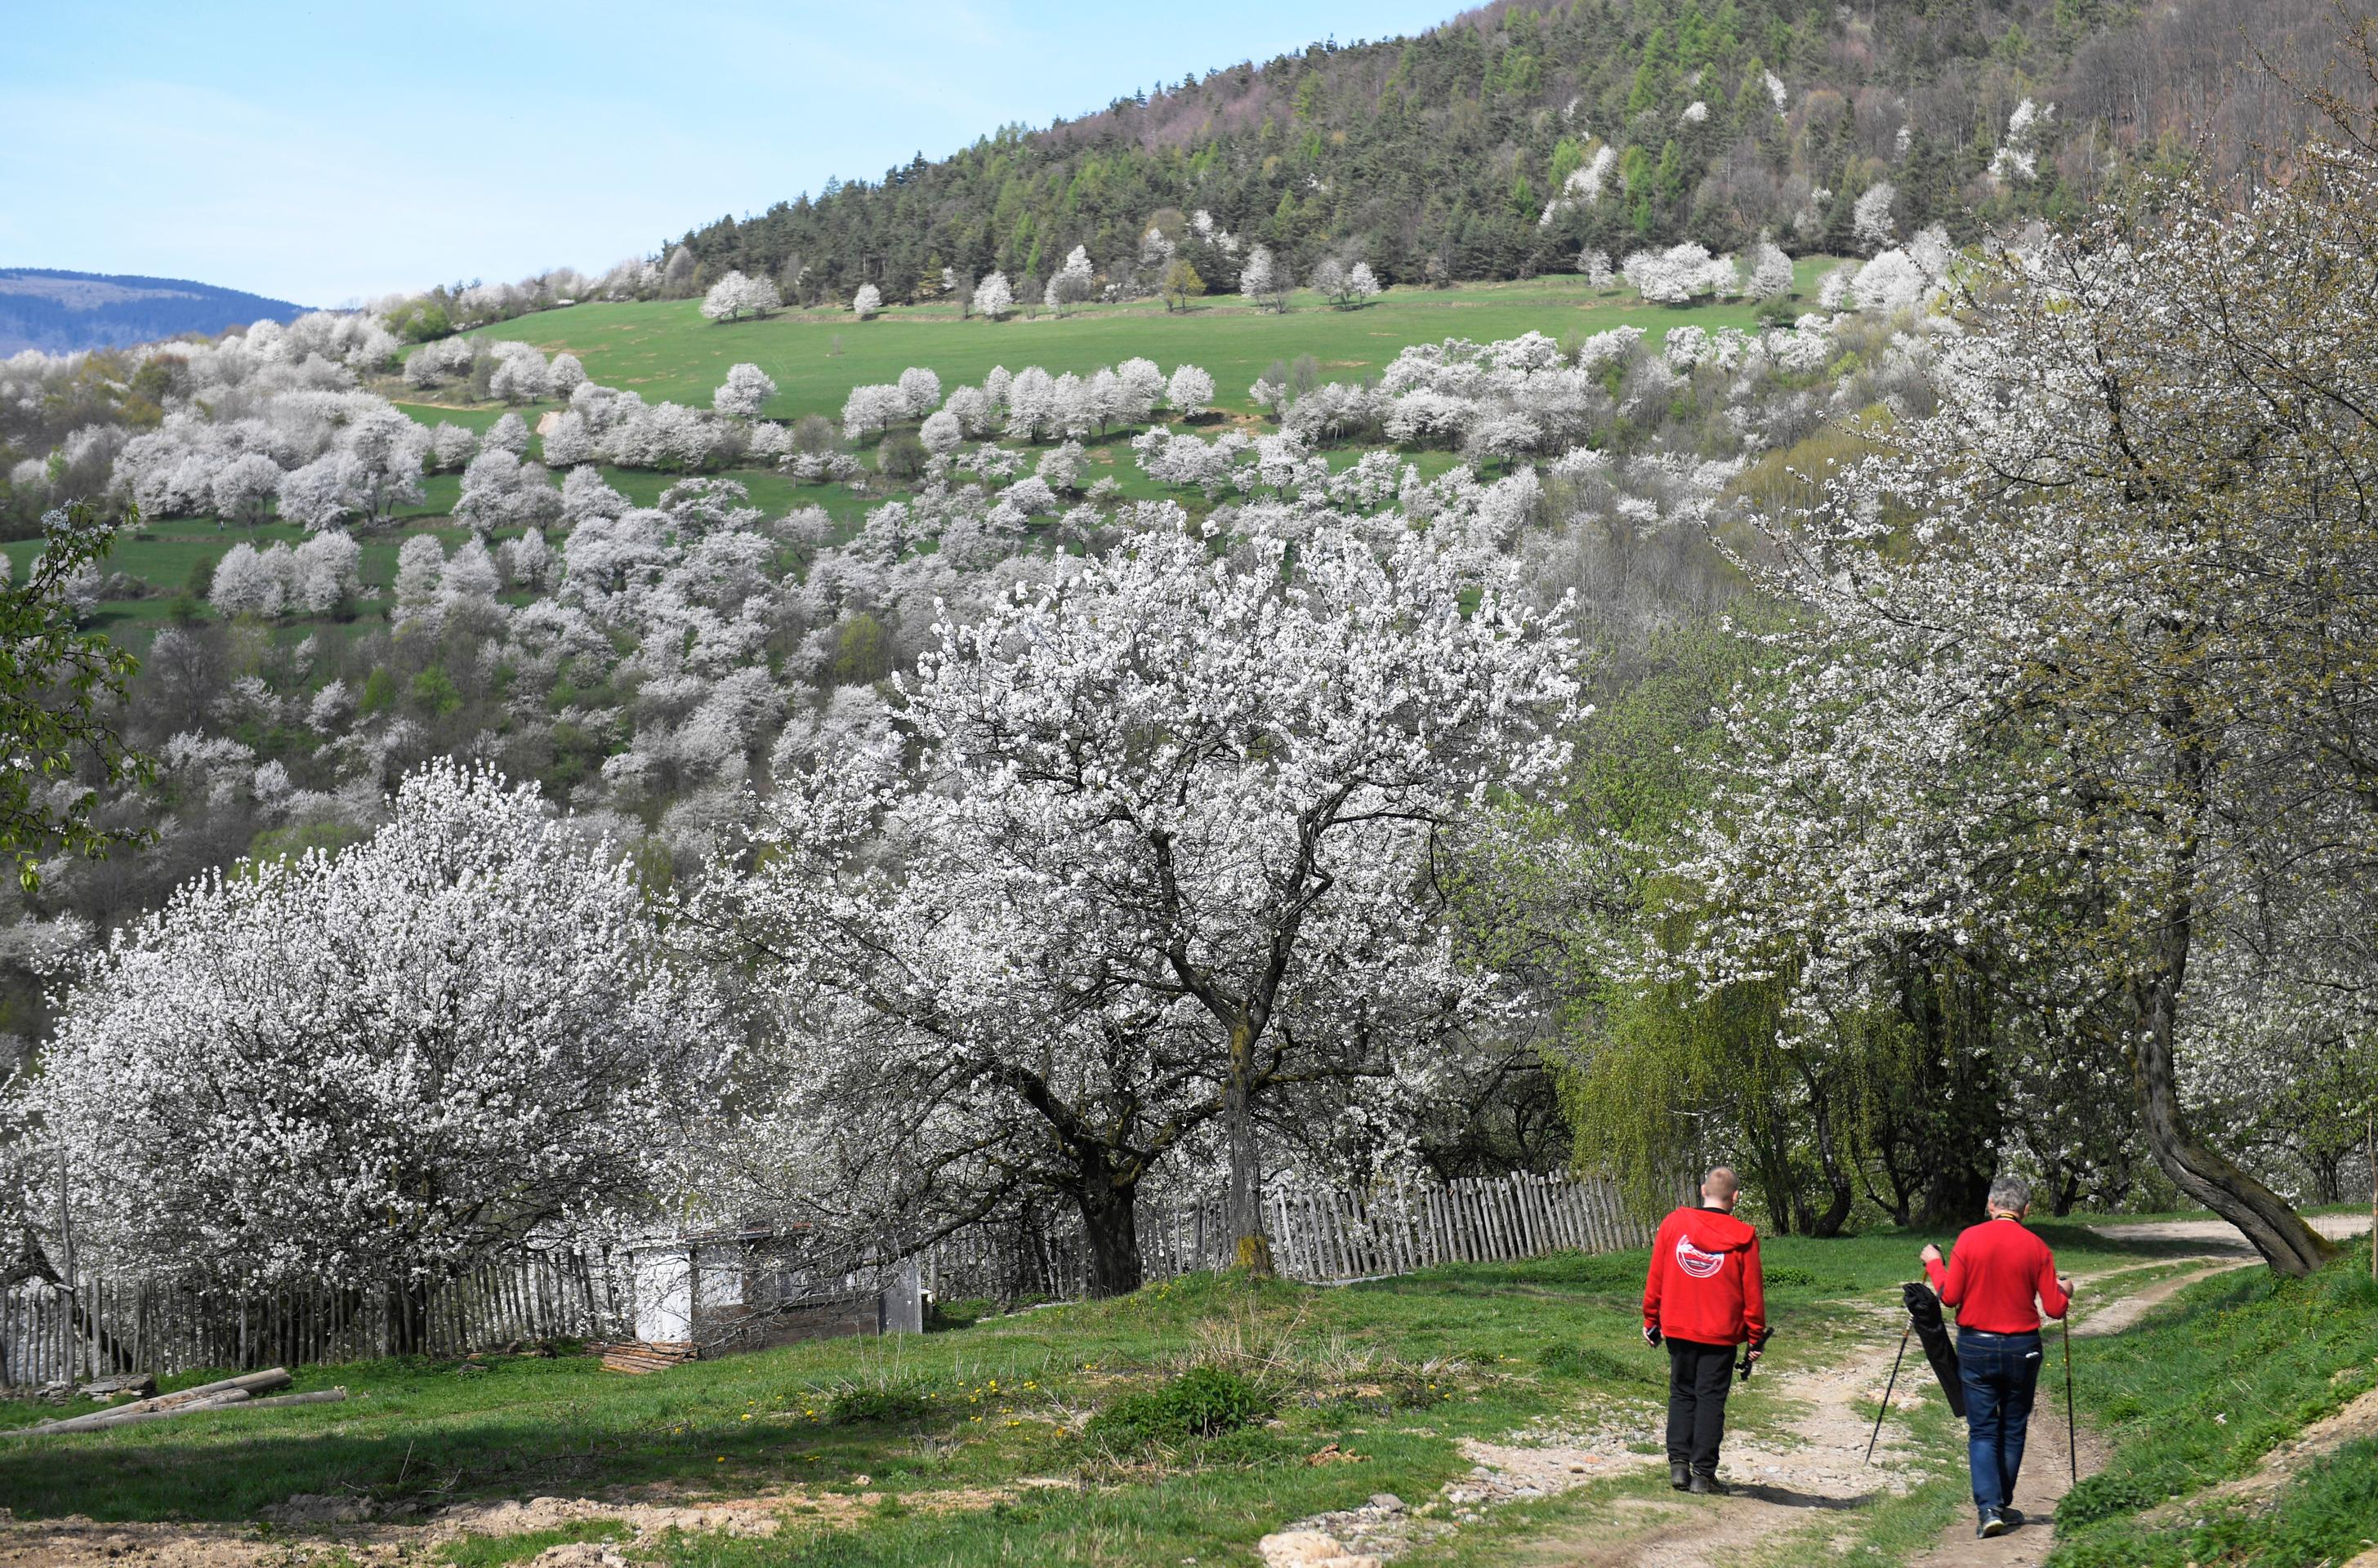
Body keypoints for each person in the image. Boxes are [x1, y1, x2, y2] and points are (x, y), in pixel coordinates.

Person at [1921, 1174, 2075, 1539]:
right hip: (2023, 1347)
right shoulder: (2037, 1246)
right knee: (2014, 1425)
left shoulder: (1969, 1239)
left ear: (1990, 1205)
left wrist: (1933, 1263)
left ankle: (1989, 1508)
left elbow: (1949, 1296)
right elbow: (2054, 1308)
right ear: (2026, 1210)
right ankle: (2001, 1504)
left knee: (1983, 1429)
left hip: (1978, 1346)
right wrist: (2066, 1289)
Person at [1642, 1165, 1767, 1494]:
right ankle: (1703, 1474)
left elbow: (1657, 1273)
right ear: (1735, 1197)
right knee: (1711, 1399)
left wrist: (1650, 1319)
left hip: (1679, 1326)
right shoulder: (1744, 1237)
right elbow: (1752, 1292)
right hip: (1720, 1331)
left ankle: (1679, 1466)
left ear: (1702, 1190)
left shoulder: (1674, 1224)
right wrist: (1756, 1336)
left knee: (1682, 1392)